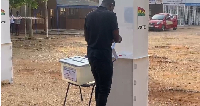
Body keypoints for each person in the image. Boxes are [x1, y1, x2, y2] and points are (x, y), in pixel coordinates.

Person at [84, 0, 122, 106]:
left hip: (91, 54)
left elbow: (86, 38)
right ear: (111, 5)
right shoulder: (111, 15)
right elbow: (116, 36)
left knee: (99, 85)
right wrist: (118, 39)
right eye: (112, 7)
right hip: (103, 55)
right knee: (105, 88)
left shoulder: (89, 15)